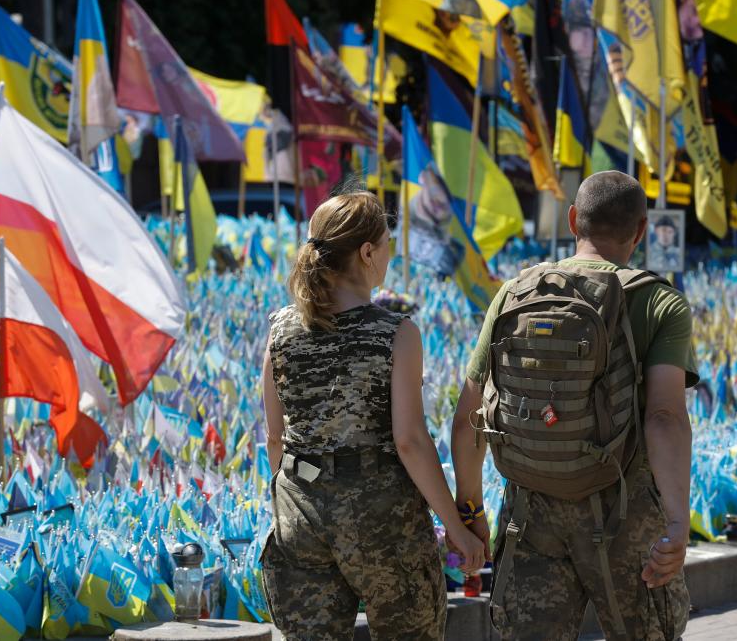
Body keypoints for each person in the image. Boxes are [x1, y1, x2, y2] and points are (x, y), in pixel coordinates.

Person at [452, 171, 697, 640]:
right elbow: (665, 417)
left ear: (572, 220)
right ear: (642, 230)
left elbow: (468, 420)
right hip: (624, 515)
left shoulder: (516, 292)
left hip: (530, 512)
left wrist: (471, 512)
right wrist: (677, 522)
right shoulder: (659, 303)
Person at [260, 192, 486, 639]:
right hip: (383, 521)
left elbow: (274, 437)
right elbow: (410, 442)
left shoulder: (281, 328)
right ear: (367, 253)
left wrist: (304, 501)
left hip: (299, 513)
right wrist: (455, 528)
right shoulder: (396, 333)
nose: (389, 254)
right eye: (387, 243)